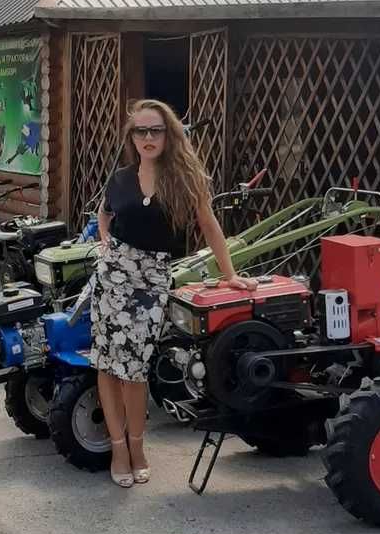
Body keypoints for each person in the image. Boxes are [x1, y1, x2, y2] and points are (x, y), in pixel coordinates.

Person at [91, 98, 258, 488]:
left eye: (155, 130)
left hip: (152, 280)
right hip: (112, 278)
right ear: (131, 137)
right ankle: (118, 448)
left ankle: (137, 446)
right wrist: (104, 245)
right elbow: (104, 214)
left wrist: (230, 273)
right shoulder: (119, 178)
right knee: (106, 365)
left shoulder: (184, 179)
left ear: (169, 135)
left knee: (133, 370)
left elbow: (210, 223)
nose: (148, 138)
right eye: (140, 131)